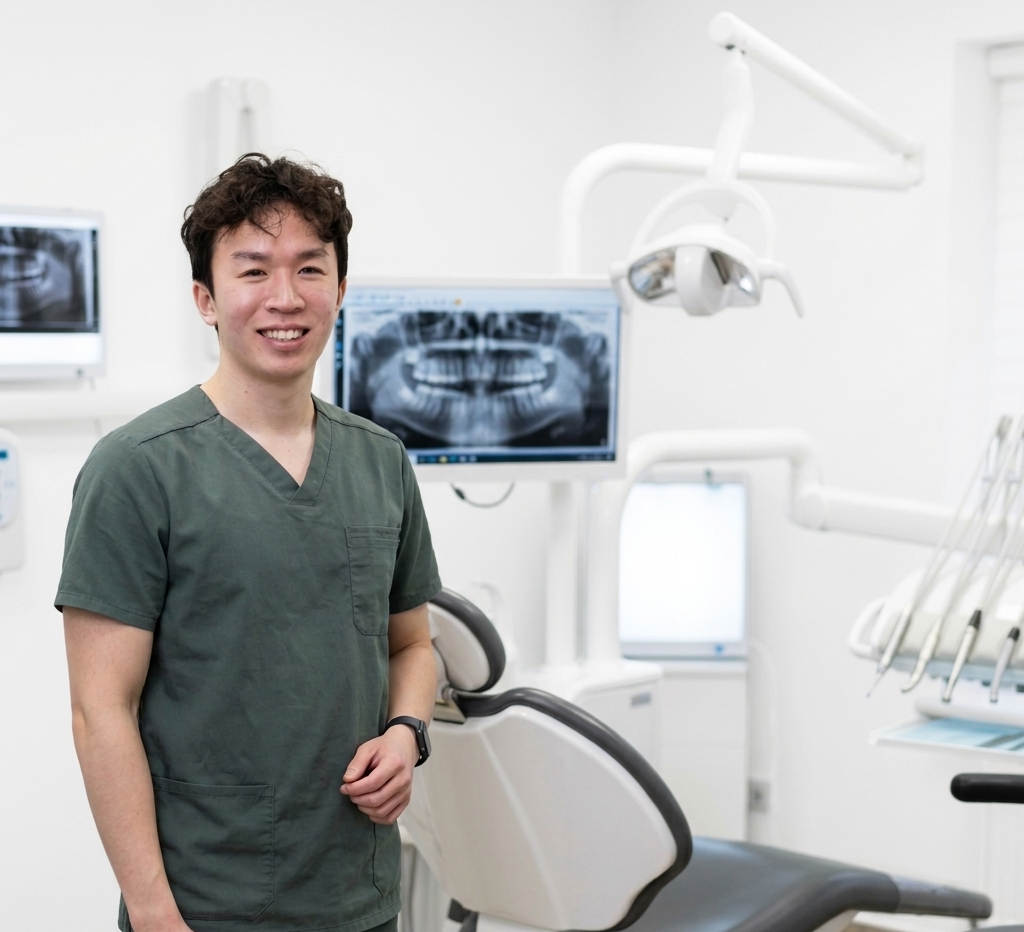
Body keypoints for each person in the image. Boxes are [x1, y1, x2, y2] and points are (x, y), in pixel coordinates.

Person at [57, 154, 441, 932]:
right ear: (205, 297)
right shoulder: (137, 469)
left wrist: (407, 732)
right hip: (204, 905)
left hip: (358, 896)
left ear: (339, 289)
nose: (284, 298)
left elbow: (413, 645)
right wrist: (156, 913)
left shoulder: (380, 460)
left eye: (309, 269)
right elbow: (102, 711)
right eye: (253, 271)